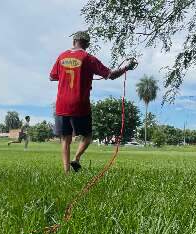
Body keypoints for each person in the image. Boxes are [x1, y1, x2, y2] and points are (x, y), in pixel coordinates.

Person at [49, 31, 137, 173]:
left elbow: (52, 77)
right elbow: (111, 75)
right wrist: (127, 67)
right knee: (87, 136)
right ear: (87, 44)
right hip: (80, 103)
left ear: (74, 42)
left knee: (65, 139)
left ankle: (66, 173)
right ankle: (76, 158)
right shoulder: (88, 58)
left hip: (62, 103)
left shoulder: (61, 56)